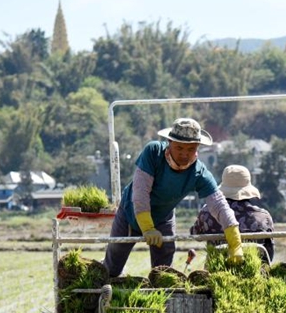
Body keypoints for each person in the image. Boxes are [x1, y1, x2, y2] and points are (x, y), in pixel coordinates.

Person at [102, 118, 243, 277]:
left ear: (197, 147)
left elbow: (219, 205)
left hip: (163, 217)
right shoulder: (153, 152)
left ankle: (159, 298)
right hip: (131, 213)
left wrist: (235, 243)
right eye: (179, 147)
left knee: (163, 272)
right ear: (169, 142)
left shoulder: (199, 173)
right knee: (112, 266)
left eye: (191, 149)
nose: (184, 154)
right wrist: (148, 228)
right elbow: (140, 192)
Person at [191, 164, 275, 263]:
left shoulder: (207, 212)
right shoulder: (263, 216)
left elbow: (195, 234)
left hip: (216, 270)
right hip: (256, 270)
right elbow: (269, 251)